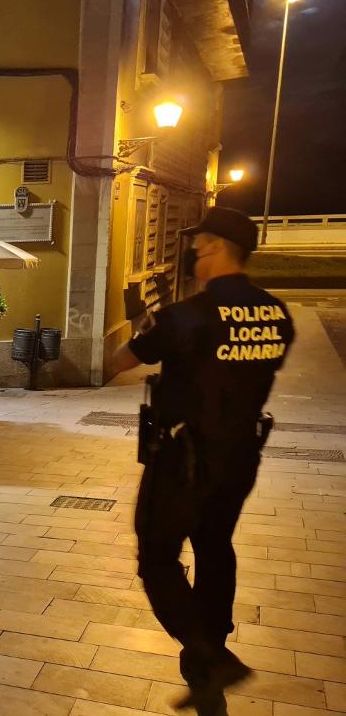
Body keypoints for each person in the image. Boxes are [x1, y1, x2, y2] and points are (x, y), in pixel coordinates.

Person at [111, 207, 294, 716]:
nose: (191, 252)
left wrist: (150, 326)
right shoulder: (277, 313)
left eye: (197, 244)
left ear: (213, 247)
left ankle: (210, 655)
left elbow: (123, 359)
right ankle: (208, 665)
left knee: (157, 557)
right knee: (215, 546)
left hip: (183, 458)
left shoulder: (187, 314)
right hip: (241, 457)